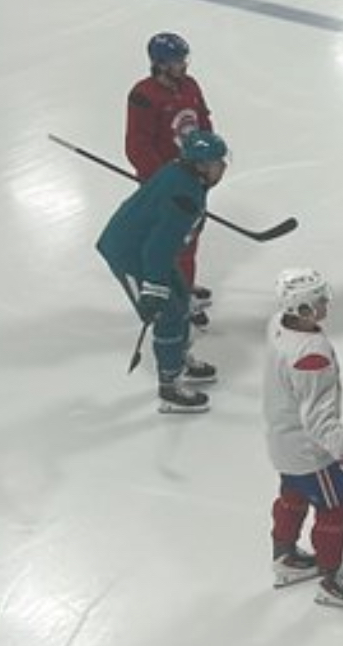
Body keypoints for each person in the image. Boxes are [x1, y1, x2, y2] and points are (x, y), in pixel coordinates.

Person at [264, 268, 343, 608]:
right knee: (334, 506)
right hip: (310, 453)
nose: (325, 304)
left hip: (281, 441)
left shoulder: (276, 324)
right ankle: (332, 578)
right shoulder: (311, 354)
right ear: (301, 309)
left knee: (292, 494)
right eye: (318, 301)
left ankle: (284, 556)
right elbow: (318, 419)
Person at [95, 129, 228, 414]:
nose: (223, 167)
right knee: (167, 313)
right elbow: (156, 250)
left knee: (181, 301)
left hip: (148, 247)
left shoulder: (186, 177)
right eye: (218, 162)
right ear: (201, 166)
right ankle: (170, 387)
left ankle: (179, 359)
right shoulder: (184, 197)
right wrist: (152, 293)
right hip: (130, 253)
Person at [125, 32, 217, 329]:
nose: (183, 66)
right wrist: (164, 181)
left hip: (195, 177)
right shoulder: (143, 95)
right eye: (178, 61)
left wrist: (209, 158)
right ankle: (178, 301)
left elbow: (203, 123)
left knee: (191, 238)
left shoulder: (190, 86)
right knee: (171, 243)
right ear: (161, 64)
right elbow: (138, 146)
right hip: (166, 185)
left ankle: (184, 288)